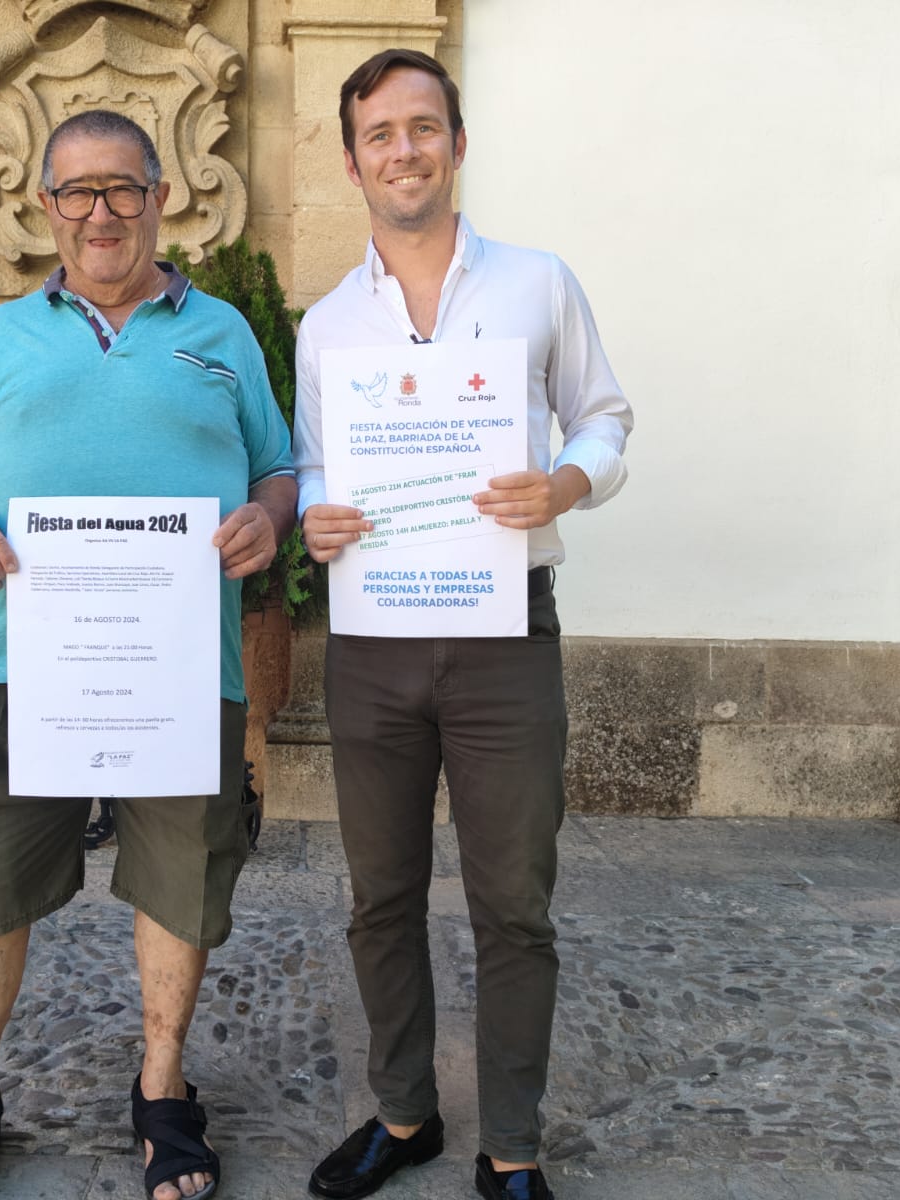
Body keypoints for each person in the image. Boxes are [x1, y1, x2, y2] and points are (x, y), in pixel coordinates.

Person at [0, 109, 296, 1200]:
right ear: (44, 207)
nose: (100, 212)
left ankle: (162, 1088)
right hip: (15, 662)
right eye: (76, 191)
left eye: (122, 187)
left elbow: (277, 470)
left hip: (178, 665)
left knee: (180, 876)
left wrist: (269, 519)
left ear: (162, 197)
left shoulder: (221, 336)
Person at [292, 49, 633, 1200]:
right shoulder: (327, 325)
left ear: (457, 142)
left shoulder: (536, 283)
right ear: (352, 160)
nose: (404, 150)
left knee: (513, 903)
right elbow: (310, 474)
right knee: (379, 896)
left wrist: (565, 487)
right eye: (380, 133)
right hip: (374, 646)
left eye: (423, 127)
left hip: (504, 638)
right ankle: (401, 1116)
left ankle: (513, 1145)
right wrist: (317, 524)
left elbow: (603, 419)